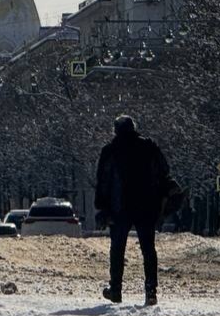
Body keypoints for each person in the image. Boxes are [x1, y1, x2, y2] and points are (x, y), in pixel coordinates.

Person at [95, 114, 169, 306]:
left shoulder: (110, 151)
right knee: (148, 249)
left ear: (116, 130)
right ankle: (151, 291)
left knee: (117, 250)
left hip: (119, 208)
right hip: (146, 206)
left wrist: (102, 207)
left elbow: (103, 181)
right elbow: (164, 171)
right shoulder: (148, 147)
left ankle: (116, 290)